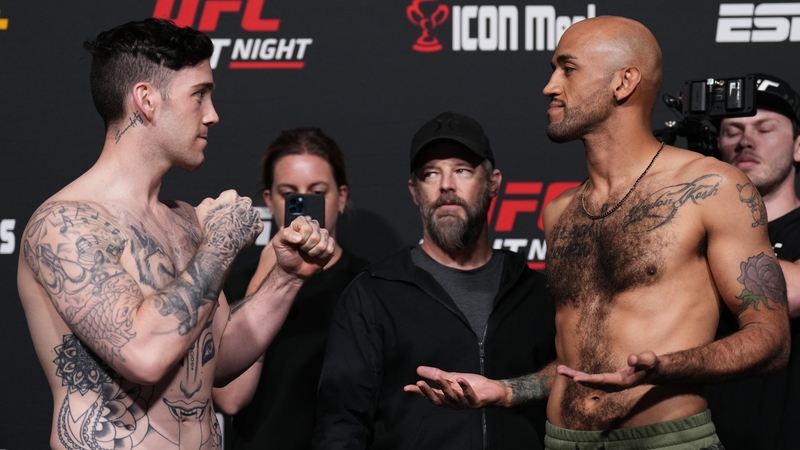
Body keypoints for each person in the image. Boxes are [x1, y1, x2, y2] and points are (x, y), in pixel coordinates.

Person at [405, 17, 790, 450]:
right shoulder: (560, 212)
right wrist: (508, 390)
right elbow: (581, 361)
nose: (550, 87)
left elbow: (770, 340)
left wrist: (666, 366)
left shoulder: (713, 187)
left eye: (567, 69)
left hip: (666, 441)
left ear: (623, 82)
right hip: (562, 440)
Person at [16, 19, 334, 450]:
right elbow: (145, 355)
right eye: (199, 95)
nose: (212, 115)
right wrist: (221, 243)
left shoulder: (186, 220)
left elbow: (215, 361)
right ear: (146, 100)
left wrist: (287, 277)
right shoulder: (64, 224)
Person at [313, 111, 557, 450]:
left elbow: (574, 386)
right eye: (431, 174)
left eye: (462, 170)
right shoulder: (374, 293)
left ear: (493, 183)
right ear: (415, 191)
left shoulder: (537, 293)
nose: (446, 185)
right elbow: (339, 427)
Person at [211, 127, 368, 449]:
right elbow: (230, 399)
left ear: (342, 198)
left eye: (317, 193)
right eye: (290, 195)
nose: (304, 206)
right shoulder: (237, 281)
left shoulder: (370, 285)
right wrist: (268, 279)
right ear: (270, 200)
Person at [707, 73, 800, 450]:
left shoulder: (695, 242)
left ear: (798, 146)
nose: (746, 140)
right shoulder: (693, 232)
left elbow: (789, 294)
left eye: (765, 128)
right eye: (732, 131)